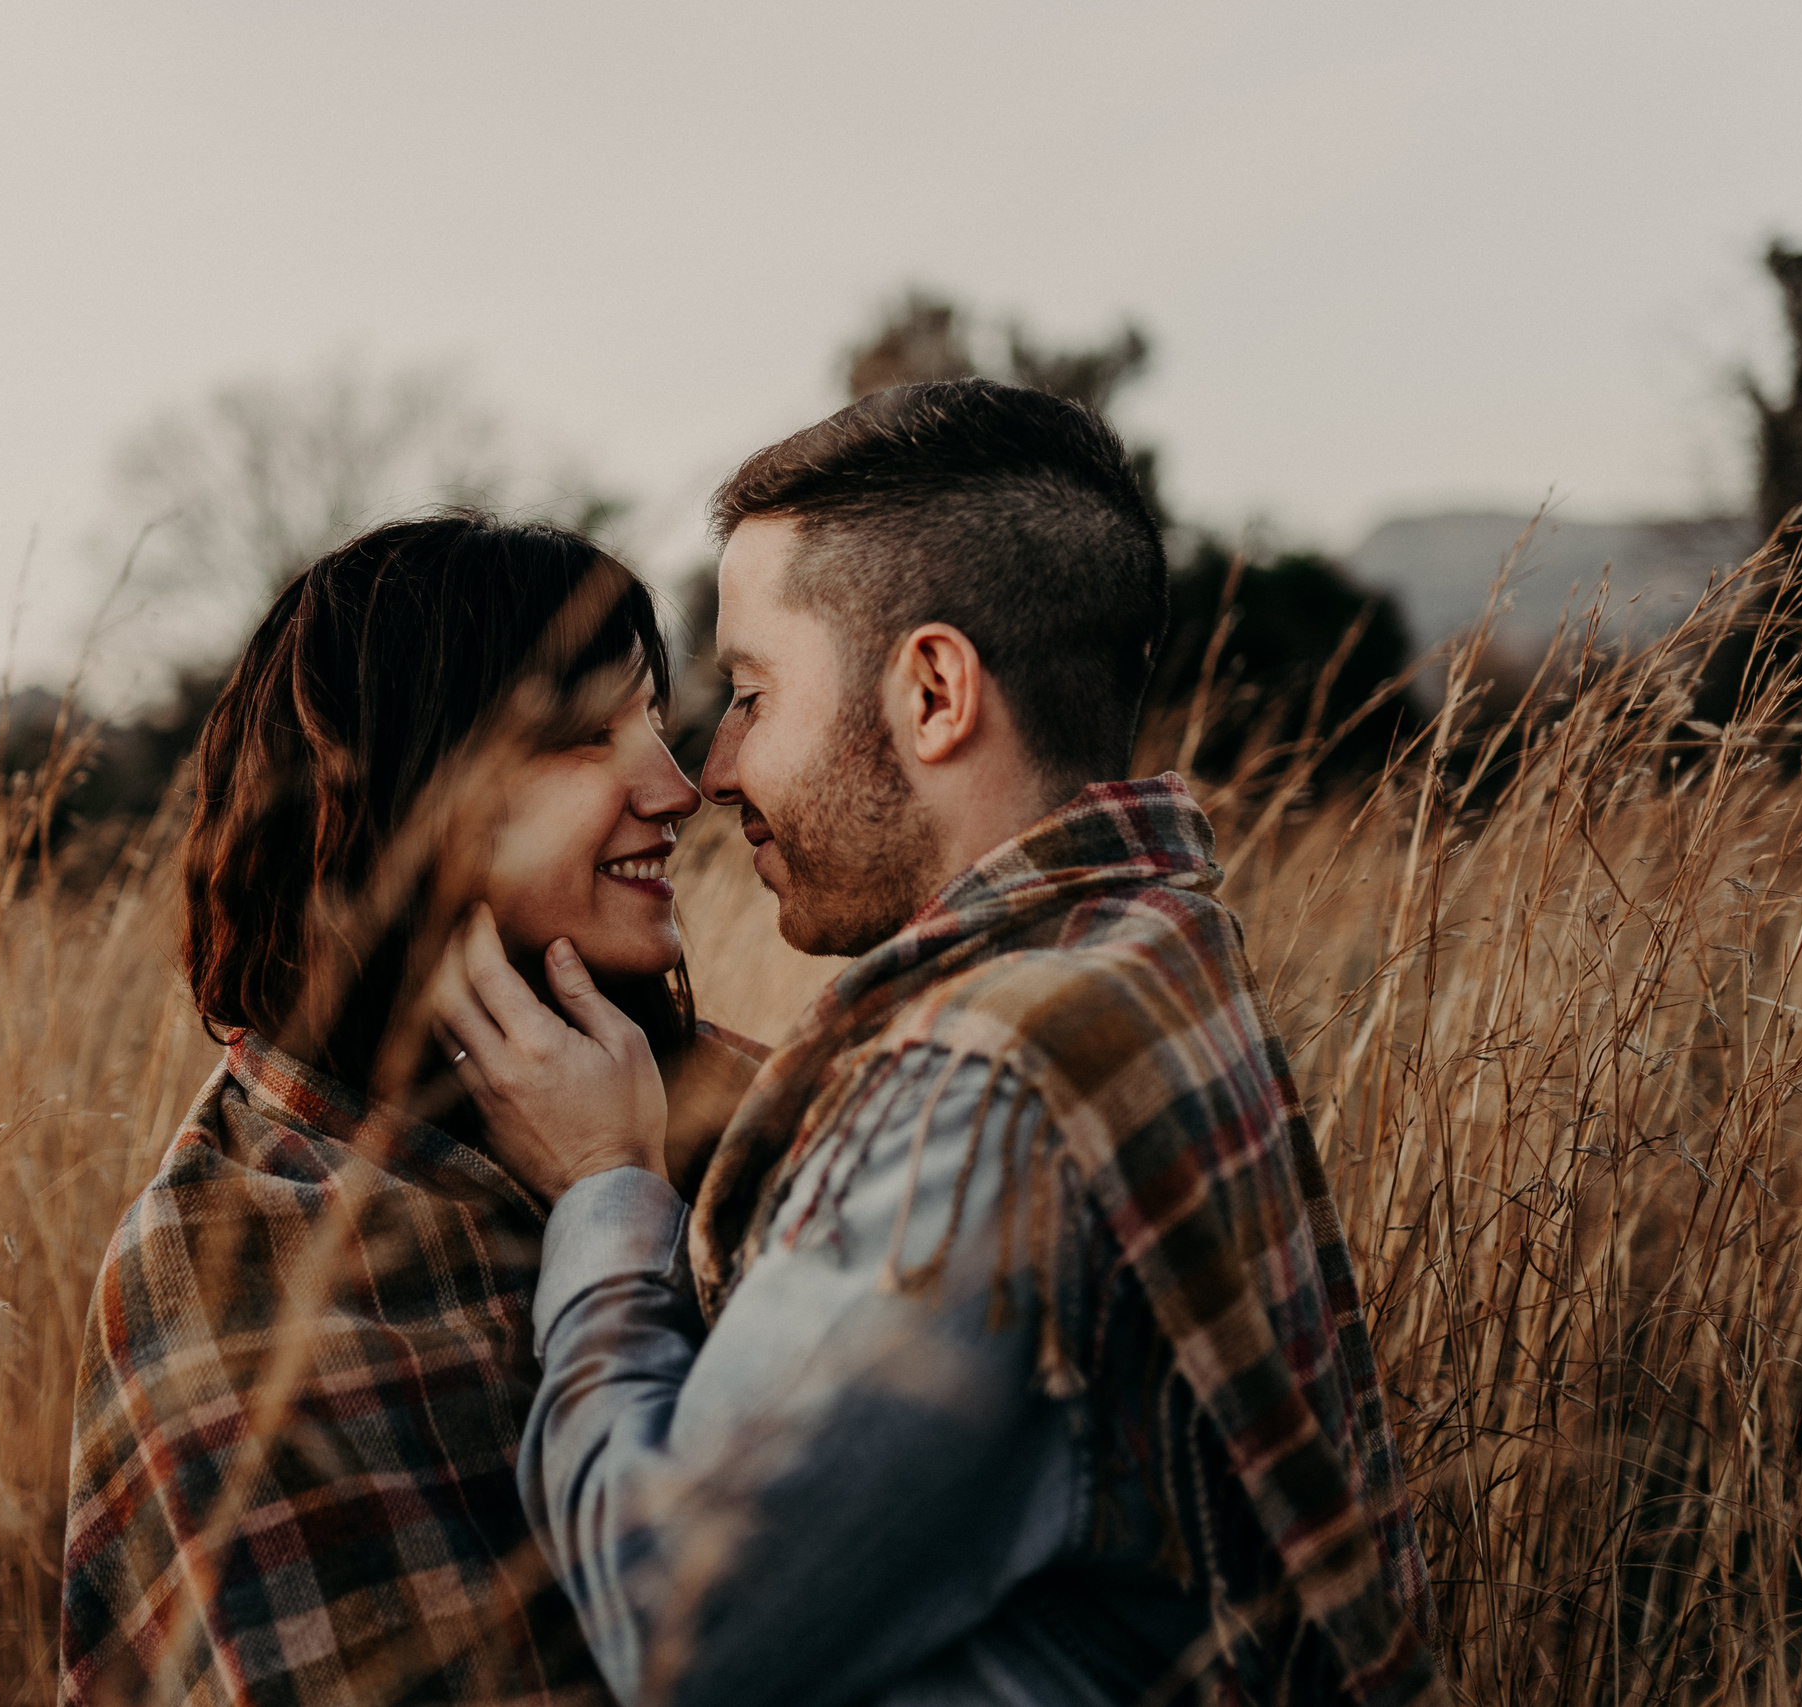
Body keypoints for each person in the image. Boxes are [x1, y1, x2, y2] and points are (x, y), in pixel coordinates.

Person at [431, 382, 1442, 1706]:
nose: (714, 770)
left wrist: (602, 1190)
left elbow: (678, 1625)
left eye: (750, 695)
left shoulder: (988, 1084)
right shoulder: (1153, 945)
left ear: (932, 691)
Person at [60, 514, 761, 1707]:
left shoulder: (749, 1106)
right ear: (410, 802)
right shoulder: (232, 1261)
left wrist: (618, 1184)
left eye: (655, 720)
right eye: (587, 737)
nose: (677, 788)